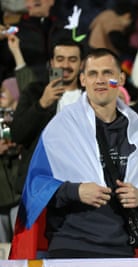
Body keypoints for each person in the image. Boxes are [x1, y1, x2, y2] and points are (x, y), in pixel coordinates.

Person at [9, 48, 138, 259]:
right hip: (70, 245)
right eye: (93, 74)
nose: (100, 80)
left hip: (121, 248)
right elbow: (36, 185)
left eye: (108, 73)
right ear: (82, 80)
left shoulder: (137, 129)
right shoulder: (61, 126)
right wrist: (75, 191)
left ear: (121, 78)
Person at [10, 38, 84, 216]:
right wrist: (42, 104)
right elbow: (17, 134)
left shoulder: (90, 97)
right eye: (60, 59)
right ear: (51, 62)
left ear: (82, 64)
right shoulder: (34, 91)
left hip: (81, 187)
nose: (65, 65)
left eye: (72, 60)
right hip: (39, 187)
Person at [0, 77, 20, 243]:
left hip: (17, 195)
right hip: (2, 196)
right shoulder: (1, 118)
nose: (1, 94)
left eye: (5, 90)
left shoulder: (23, 118)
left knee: (19, 244)